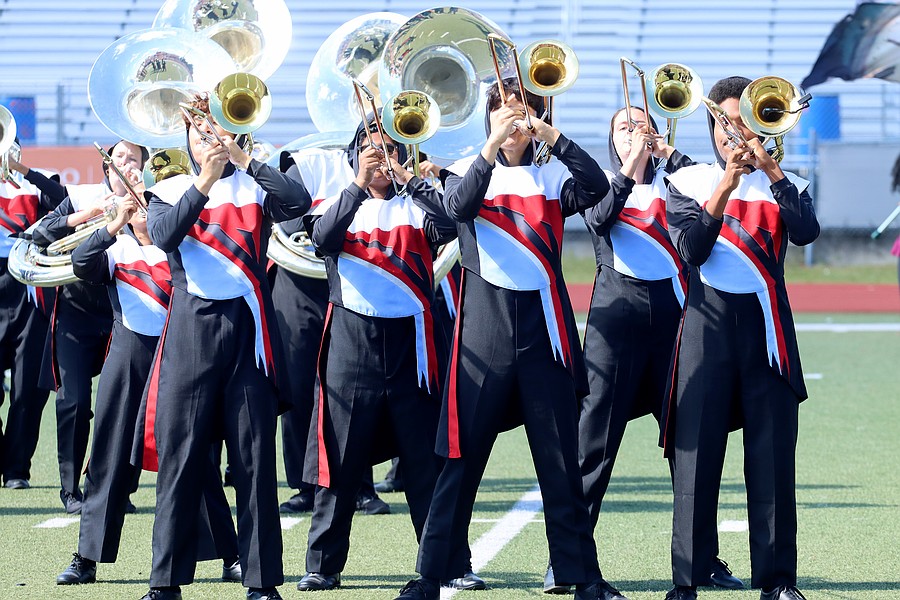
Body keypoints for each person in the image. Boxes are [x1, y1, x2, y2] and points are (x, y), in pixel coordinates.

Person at [395, 79, 618, 600]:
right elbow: (456, 209)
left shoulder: (551, 177)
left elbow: (596, 188)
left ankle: (581, 576)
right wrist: (491, 146)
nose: (512, 120)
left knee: (560, 463)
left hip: (546, 336)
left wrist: (553, 137)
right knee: (460, 461)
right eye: (501, 110)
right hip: (484, 334)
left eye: (522, 112)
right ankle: (431, 574)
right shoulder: (466, 170)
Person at [543, 107, 741, 595]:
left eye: (643, 124)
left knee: (691, 448)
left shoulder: (681, 179)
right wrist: (632, 163)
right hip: (615, 324)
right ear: (611, 139)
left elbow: (709, 191)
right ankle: (567, 560)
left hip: (677, 323)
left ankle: (702, 559)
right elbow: (601, 218)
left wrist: (664, 150)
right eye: (624, 127)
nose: (635, 132)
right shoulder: (601, 182)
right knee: (593, 447)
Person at [295, 116, 480, 593]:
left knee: (426, 463)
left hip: (413, 347)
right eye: (371, 150)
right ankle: (323, 565)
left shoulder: (418, 204)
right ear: (354, 156)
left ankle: (450, 563)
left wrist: (410, 179)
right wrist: (359, 182)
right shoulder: (337, 200)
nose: (380, 159)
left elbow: (452, 225)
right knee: (339, 459)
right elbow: (322, 239)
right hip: (350, 344)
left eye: (390, 150)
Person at [137, 94, 310, 600]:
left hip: (249, 335)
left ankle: (262, 582)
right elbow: (164, 235)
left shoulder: (255, 184)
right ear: (187, 139)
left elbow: (298, 203)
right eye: (199, 132)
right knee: (182, 460)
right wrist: (207, 179)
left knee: (254, 463)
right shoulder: (167, 188)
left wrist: (243, 161)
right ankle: (166, 582)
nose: (208, 139)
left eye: (216, 130)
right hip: (191, 332)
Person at [662, 76, 819, 600]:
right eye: (722, 124)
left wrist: (772, 172)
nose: (731, 134)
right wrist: (725, 186)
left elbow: (806, 231)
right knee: (696, 459)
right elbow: (692, 250)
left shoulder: (788, 183)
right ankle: (687, 579)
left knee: (772, 461)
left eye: (740, 123)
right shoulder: (689, 182)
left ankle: (777, 581)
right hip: (705, 330)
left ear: (760, 124)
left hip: (768, 333)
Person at [55, 193, 242, 586]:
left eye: (147, 202)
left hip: (180, 357)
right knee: (108, 459)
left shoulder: (183, 247)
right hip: (128, 361)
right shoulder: (116, 249)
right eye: (134, 204)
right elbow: (81, 262)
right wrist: (111, 225)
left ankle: (230, 554)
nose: (140, 208)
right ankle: (87, 558)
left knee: (194, 459)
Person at [28, 140, 147, 514]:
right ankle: (70, 490)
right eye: (119, 157)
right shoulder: (81, 197)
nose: (126, 163)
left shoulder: (152, 201)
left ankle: (119, 488)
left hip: (125, 313)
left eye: (134, 158)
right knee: (75, 402)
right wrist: (88, 215)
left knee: (128, 405)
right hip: (77, 314)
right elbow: (40, 234)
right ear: (107, 166)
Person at [0, 146, 60, 490]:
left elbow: (60, 199)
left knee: (27, 390)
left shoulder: (35, 181)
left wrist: (21, 170)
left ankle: (16, 469)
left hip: (26, 288)